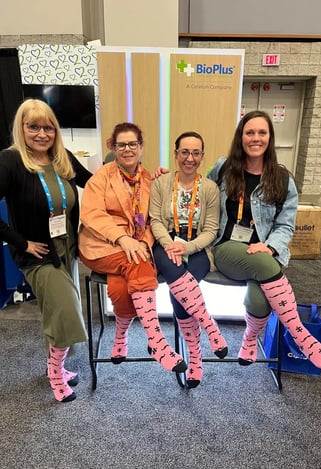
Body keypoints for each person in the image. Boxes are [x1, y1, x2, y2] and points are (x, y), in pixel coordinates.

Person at [207, 110, 321, 371]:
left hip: (265, 253)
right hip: (226, 248)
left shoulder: (282, 179)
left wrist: (269, 246)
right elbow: (197, 192)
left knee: (258, 302)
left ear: (270, 137)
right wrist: (170, 179)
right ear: (241, 137)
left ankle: (249, 339)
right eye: (249, 132)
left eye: (262, 132)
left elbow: (285, 225)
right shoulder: (224, 168)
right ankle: (304, 339)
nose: (255, 138)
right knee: (265, 266)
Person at [0, 99, 92, 403]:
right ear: (21, 128)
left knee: (55, 310)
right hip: (38, 254)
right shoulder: (10, 161)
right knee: (66, 312)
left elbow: (94, 185)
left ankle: (58, 366)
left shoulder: (61, 158)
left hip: (67, 248)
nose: (42, 133)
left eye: (48, 127)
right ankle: (55, 373)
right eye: (33, 126)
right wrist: (21, 242)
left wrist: (142, 177)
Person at [78, 122, 187, 374]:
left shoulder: (150, 179)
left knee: (121, 286)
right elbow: (91, 214)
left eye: (133, 144)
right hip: (100, 245)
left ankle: (120, 338)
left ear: (141, 146)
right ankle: (157, 342)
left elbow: (154, 220)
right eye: (121, 144)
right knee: (139, 264)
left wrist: (143, 242)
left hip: (135, 246)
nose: (127, 149)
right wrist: (122, 238)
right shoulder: (101, 177)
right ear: (112, 147)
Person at [149, 131, 228, 388]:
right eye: (184, 152)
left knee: (182, 290)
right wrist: (169, 244)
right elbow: (156, 220)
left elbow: (212, 229)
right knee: (180, 283)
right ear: (176, 154)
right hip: (166, 244)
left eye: (195, 153)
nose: (189, 158)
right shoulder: (161, 183)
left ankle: (194, 357)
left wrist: (188, 247)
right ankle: (207, 330)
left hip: (197, 249)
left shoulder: (210, 188)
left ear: (202, 156)